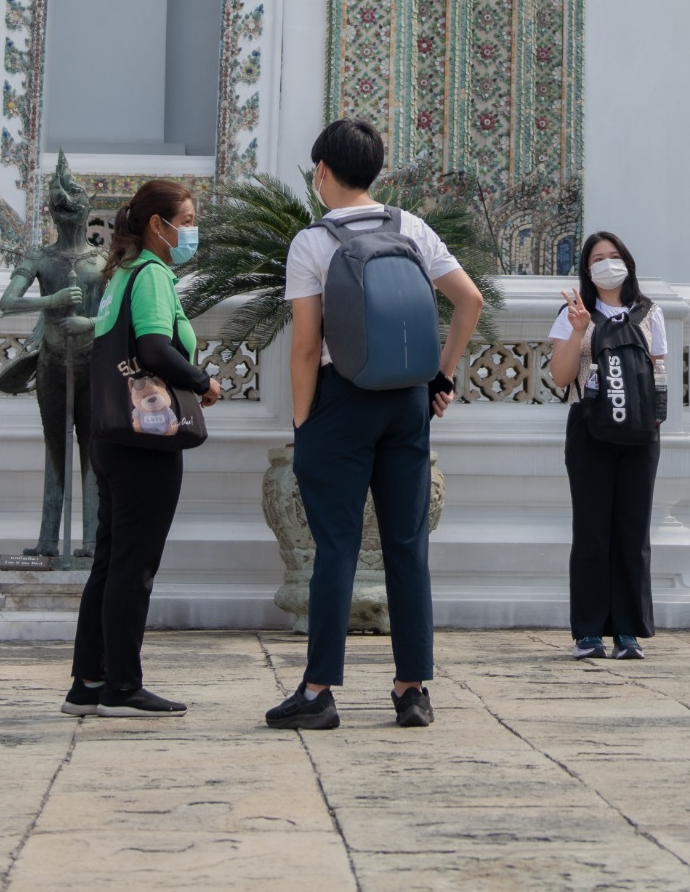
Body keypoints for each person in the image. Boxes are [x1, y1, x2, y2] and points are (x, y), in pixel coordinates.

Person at [264, 119, 484, 731]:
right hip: (407, 401)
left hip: (342, 400)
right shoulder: (410, 228)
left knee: (336, 546)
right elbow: (470, 300)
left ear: (324, 172)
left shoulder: (313, 242)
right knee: (407, 545)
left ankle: (318, 692)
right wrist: (440, 376)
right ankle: (412, 689)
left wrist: (304, 420)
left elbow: (306, 346)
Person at [63, 179, 220, 720]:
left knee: (110, 561)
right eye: (189, 219)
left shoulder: (121, 274)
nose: (192, 230)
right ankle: (123, 688)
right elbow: (154, 348)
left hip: (110, 438)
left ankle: (89, 680)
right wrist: (201, 380)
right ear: (160, 224)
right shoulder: (153, 275)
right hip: (144, 441)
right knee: (135, 567)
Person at [547, 231, 668, 660]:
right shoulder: (573, 312)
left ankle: (628, 631)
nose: (607, 264)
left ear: (628, 263)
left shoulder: (649, 313)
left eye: (614, 256)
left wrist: (656, 419)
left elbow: (659, 371)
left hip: (640, 431)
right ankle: (588, 631)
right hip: (589, 429)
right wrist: (579, 330)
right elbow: (561, 378)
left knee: (632, 532)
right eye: (598, 258)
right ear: (587, 269)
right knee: (592, 530)